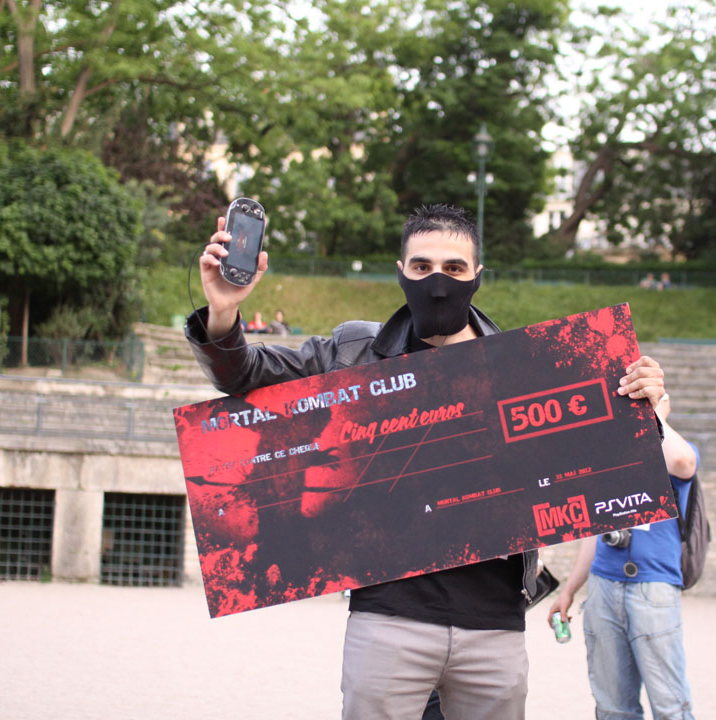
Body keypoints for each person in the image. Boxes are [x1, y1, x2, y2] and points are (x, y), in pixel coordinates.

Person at [185, 203, 670, 720]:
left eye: (454, 268)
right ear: (401, 272)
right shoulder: (353, 352)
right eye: (422, 267)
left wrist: (643, 410)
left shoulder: (525, 367)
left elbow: (600, 465)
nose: (438, 282)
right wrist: (223, 311)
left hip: (494, 627)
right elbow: (245, 376)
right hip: (389, 619)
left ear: (477, 275)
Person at [548, 391, 699, 720]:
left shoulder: (670, 449)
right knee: (612, 707)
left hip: (653, 586)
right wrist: (570, 590)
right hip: (603, 584)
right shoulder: (609, 460)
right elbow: (594, 533)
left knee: (670, 705)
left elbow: (683, 463)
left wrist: (653, 416)